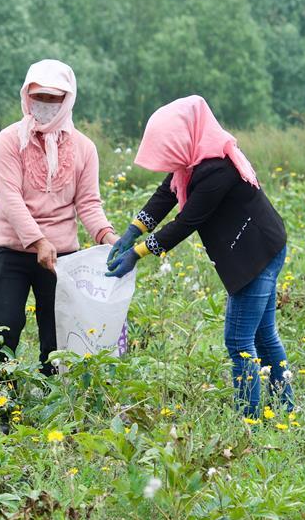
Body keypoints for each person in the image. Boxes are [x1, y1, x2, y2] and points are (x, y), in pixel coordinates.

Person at [106, 95, 293, 417]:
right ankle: (283, 408)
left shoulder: (217, 168)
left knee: (238, 341)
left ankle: (248, 419)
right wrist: (133, 230)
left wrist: (137, 253)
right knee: (262, 334)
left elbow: (188, 221)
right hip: (262, 247)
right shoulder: (194, 162)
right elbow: (165, 194)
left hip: (256, 255)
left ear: (185, 135)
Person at [0, 59, 117, 419]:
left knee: (57, 336)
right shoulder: (9, 141)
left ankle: (51, 408)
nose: (44, 103)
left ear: (67, 100)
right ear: (27, 96)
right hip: (11, 253)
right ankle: (0, 408)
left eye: (53, 97)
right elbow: (10, 199)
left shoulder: (83, 148)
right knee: (5, 330)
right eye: (38, 96)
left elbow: (88, 202)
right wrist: (38, 241)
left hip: (63, 258)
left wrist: (107, 236)